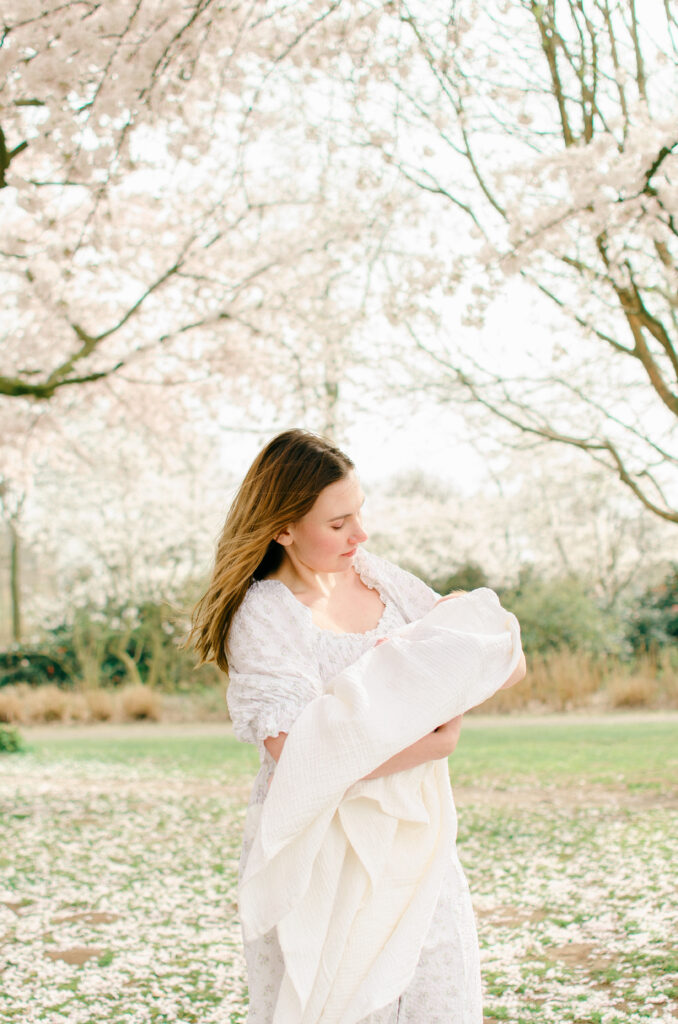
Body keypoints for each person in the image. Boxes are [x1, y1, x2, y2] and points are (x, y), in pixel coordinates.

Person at [189, 428, 526, 1023]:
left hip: (415, 833)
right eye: (338, 524)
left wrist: (438, 707)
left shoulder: (378, 576)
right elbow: (295, 753)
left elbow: (486, 655)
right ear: (283, 528)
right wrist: (431, 739)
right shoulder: (265, 615)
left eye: (359, 514)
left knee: (436, 997)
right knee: (342, 1002)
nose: (360, 534)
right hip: (326, 846)